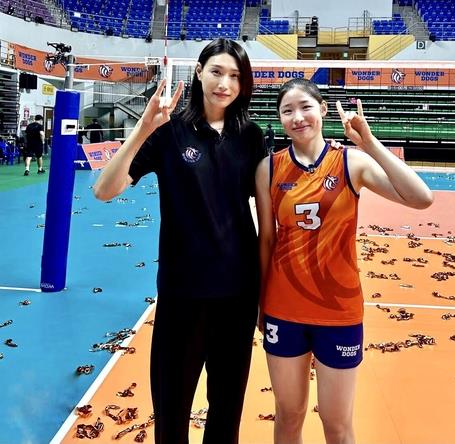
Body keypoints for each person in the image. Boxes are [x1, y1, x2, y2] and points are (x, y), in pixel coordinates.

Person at [93, 38, 265, 444]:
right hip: (182, 295)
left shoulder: (252, 136)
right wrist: (143, 128)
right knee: (171, 415)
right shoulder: (168, 132)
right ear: (199, 72)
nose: (224, 83)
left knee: (226, 416)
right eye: (217, 71)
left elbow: (265, 214)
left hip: (237, 296)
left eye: (235, 76)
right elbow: (104, 190)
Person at [255, 78, 433, 444]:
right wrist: (260, 303)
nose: (297, 117)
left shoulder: (351, 162)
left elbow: (421, 198)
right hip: (283, 309)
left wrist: (369, 143)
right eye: (287, 111)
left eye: (305, 107)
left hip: (339, 312)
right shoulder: (268, 169)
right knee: (289, 414)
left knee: (337, 424)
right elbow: (267, 240)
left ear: (322, 109)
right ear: (279, 118)